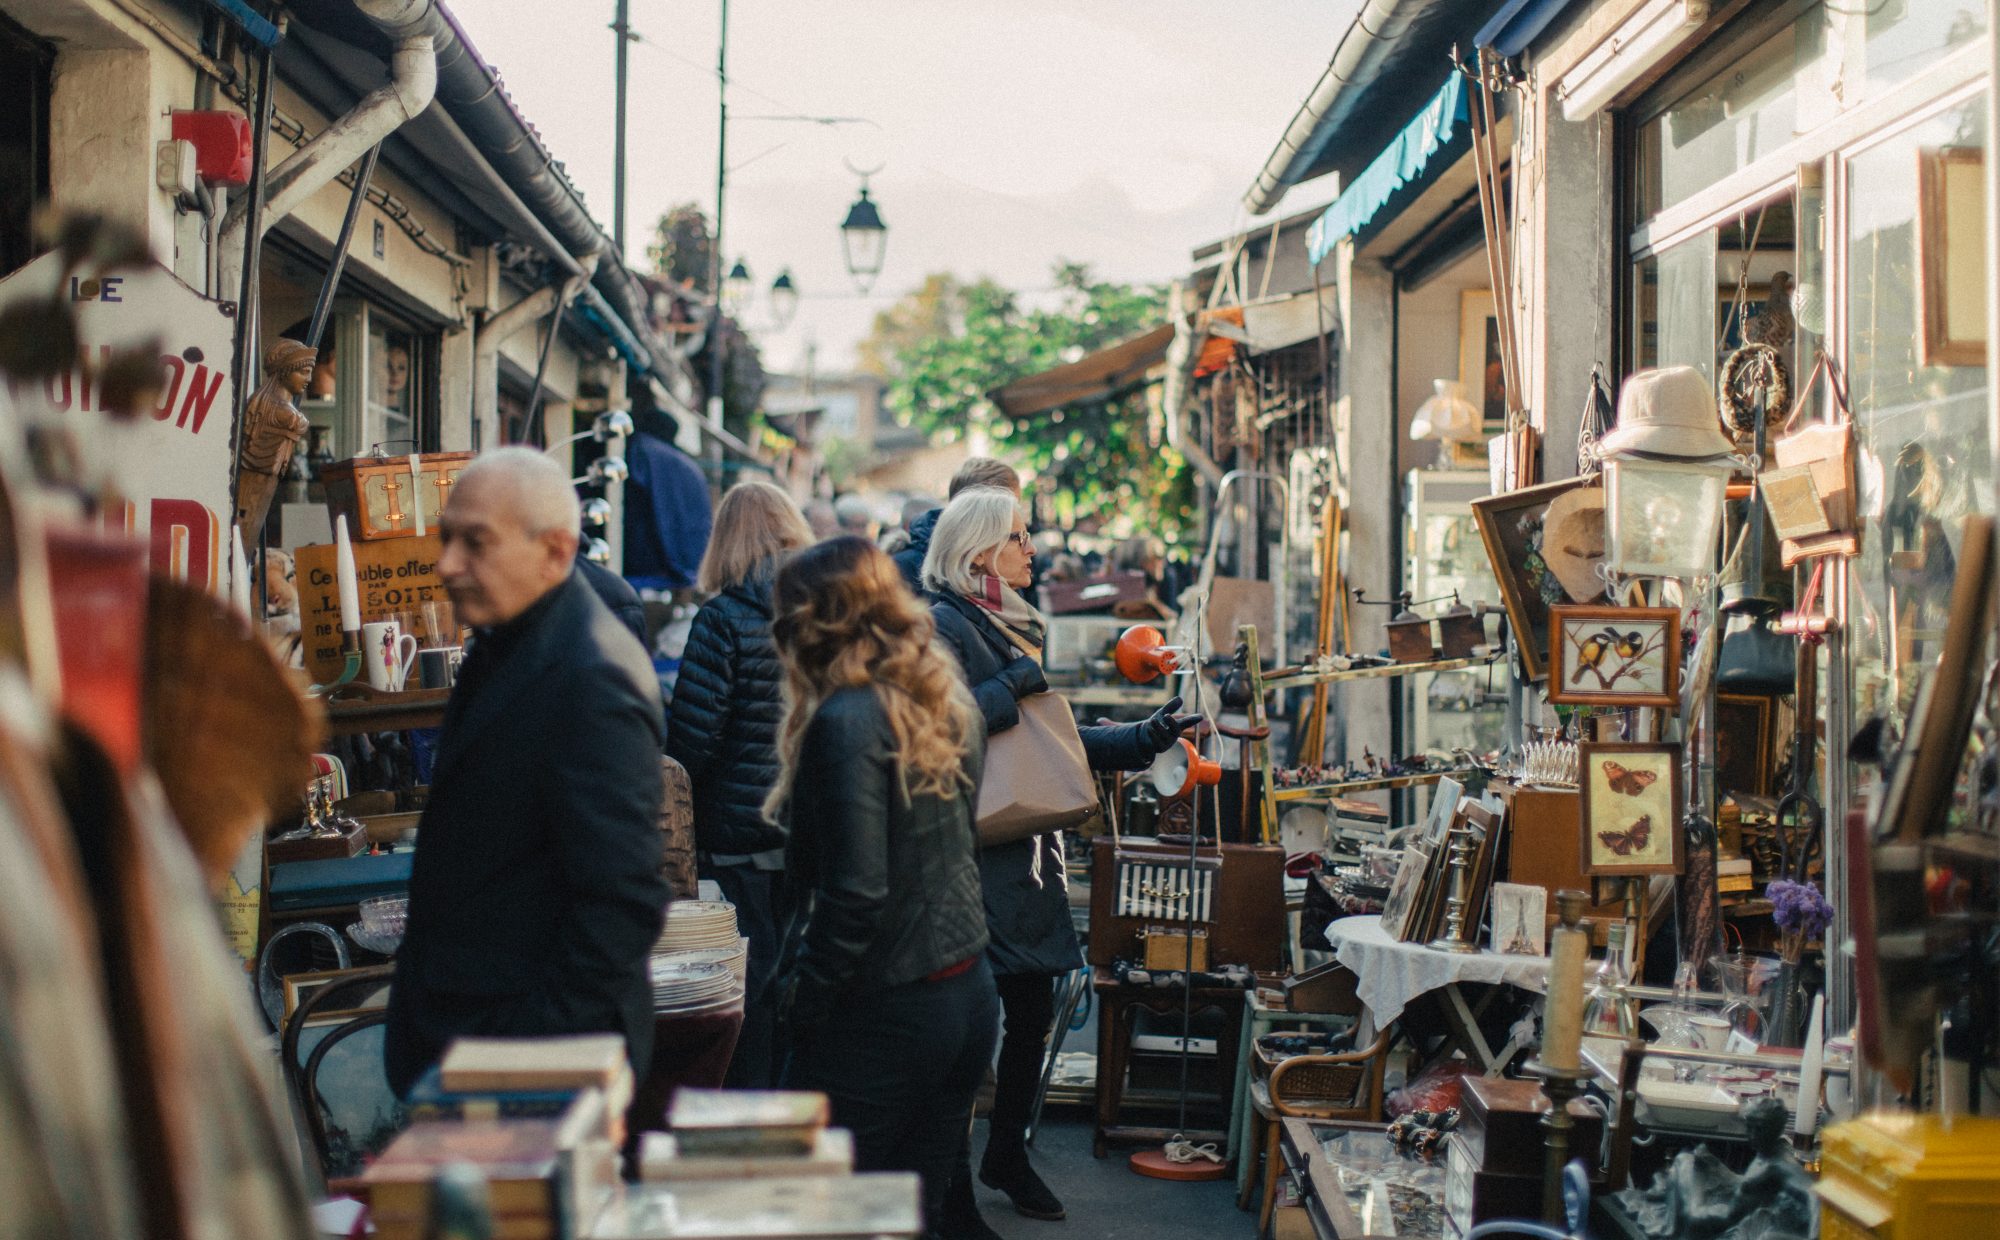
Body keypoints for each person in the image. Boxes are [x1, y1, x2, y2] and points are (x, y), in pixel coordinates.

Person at [923, 487, 1197, 1234]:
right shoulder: (943, 624)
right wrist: (1013, 682)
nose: (1032, 547)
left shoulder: (1006, 621)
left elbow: (1053, 738)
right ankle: (951, 1195)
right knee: (969, 1033)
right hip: (976, 857)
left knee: (1032, 1012)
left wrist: (1150, 735)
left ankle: (1005, 1153)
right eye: (1018, 536)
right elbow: (942, 725)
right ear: (980, 550)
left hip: (1025, 854)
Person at [384, 448, 669, 1098]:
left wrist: (522, 1051)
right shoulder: (513, 642)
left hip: (527, 1066)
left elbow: (622, 905)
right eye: (446, 538)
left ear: (556, 551)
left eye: (475, 543)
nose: (447, 564)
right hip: (479, 1042)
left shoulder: (590, 676)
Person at [766, 537, 994, 1239]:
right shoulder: (939, 700)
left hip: (888, 1010)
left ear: (814, 621)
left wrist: (801, 998)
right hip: (964, 995)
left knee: (831, 1213)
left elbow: (856, 893)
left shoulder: (847, 720)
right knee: (910, 1214)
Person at [666, 480, 814, 1087]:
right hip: (807, 829)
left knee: (744, 984)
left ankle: (747, 1110)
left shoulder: (720, 619)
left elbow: (693, 742)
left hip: (737, 838)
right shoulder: (821, 612)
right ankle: (792, 1104)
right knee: (797, 980)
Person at [892, 456, 1023, 594]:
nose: (1017, 517)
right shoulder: (903, 568)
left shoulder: (1005, 563)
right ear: (969, 508)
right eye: (1007, 509)